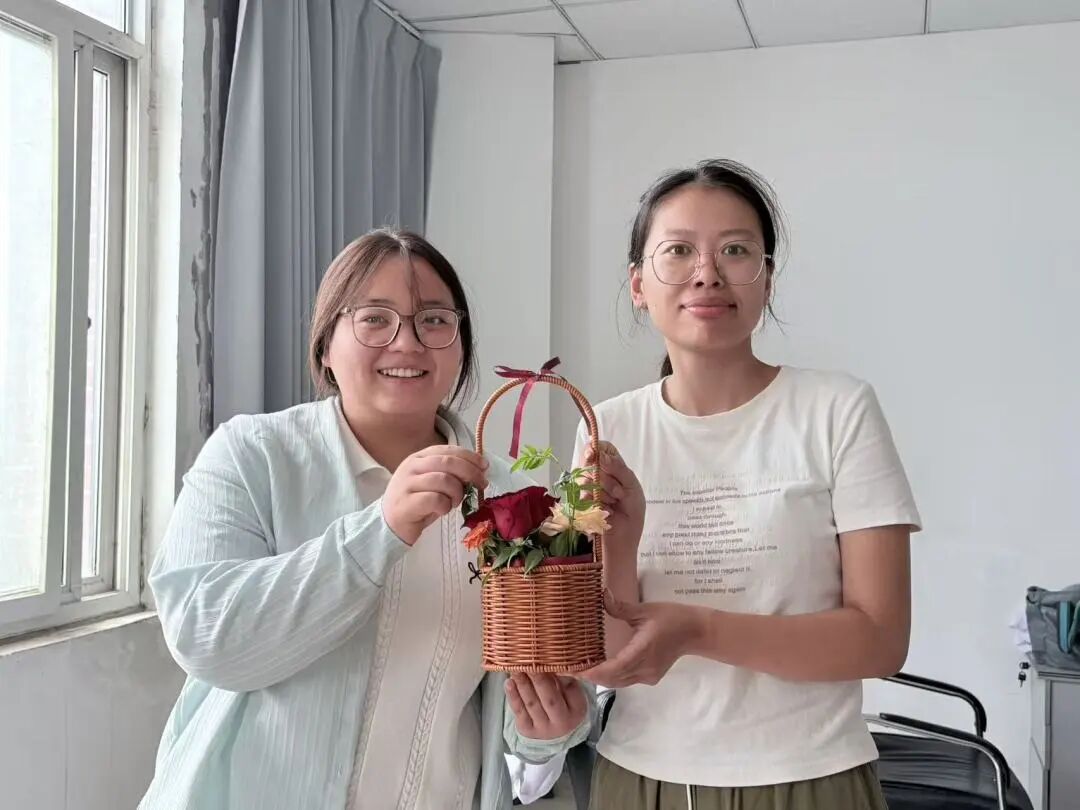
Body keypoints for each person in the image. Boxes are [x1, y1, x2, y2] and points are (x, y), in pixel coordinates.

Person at [140, 229, 591, 810]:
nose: (407, 343)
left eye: (434, 321)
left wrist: (545, 731)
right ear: (326, 345)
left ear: (460, 348)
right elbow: (205, 637)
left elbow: (508, 722)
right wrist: (380, 529)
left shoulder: (509, 500)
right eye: (375, 319)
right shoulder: (253, 455)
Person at [577, 159, 922, 809]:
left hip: (812, 778)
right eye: (678, 251)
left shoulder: (837, 410)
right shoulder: (608, 429)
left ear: (767, 280)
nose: (707, 272)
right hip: (642, 778)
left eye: (736, 250)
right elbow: (616, 656)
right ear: (638, 285)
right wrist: (620, 544)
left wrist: (698, 630)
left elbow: (881, 640)